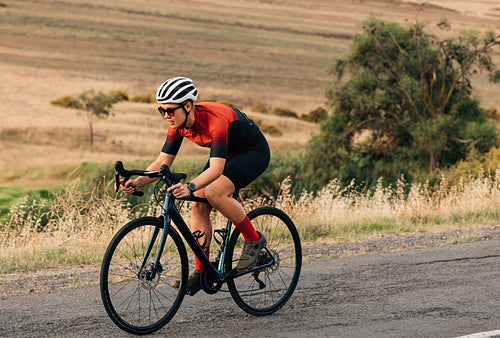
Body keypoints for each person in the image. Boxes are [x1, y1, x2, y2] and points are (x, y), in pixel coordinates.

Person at [120, 77, 270, 294]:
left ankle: (254, 240)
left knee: (215, 192)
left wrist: (188, 186)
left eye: (170, 111)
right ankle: (202, 272)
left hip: (252, 152)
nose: (166, 116)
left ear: (188, 106)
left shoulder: (215, 119)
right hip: (227, 152)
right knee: (198, 203)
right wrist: (138, 180)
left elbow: (217, 169)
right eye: (161, 111)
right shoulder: (178, 125)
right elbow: (163, 161)